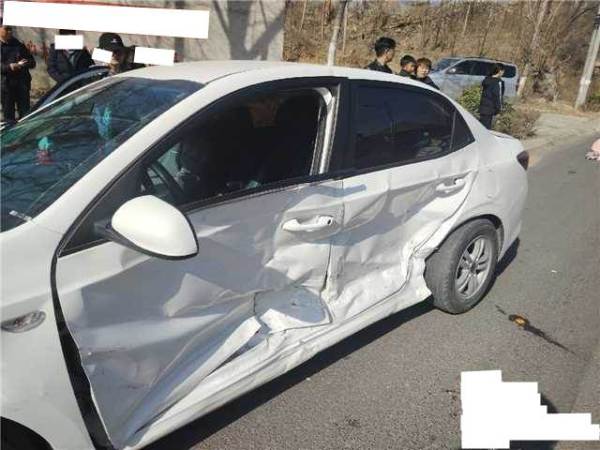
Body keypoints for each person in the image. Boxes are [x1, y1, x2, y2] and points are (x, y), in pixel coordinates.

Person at [0, 24, 36, 123]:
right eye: (7, 29)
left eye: (11, 29)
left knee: (25, 115)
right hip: (6, 86)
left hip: (22, 84)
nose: (10, 32)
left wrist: (22, 64)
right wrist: (9, 67)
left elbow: (32, 62)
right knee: (9, 117)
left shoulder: (18, 44)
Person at [478, 63, 505, 129]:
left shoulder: (486, 80)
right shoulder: (498, 82)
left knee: (482, 128)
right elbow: (498, 97)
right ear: (500, 71)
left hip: (483, 109)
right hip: (491, 109)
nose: (503, 73)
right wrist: (499, 110)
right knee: (486, 130)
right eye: (503, 71)